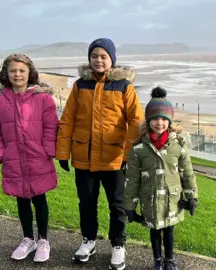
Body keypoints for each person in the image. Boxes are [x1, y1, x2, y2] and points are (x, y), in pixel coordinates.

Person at [56, 38, 144, 270]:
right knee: (86, 203)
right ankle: (89, 240)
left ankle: (118, 245)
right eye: (94, 56)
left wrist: (128, 154)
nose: (98, 60)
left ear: (111, 60)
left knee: (117, 205)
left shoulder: (124, 86)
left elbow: (136, 122)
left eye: (103, 56)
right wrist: (63, 152)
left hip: (114, 158)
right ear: (89, 58)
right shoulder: (80, 85)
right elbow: (67, 120)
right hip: (83, 157)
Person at [0, 54, 58, 263]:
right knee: (21, 198)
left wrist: (47, 150)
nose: (17, 74)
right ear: (6, 74)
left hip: (38, 157)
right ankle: (28, 239)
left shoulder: (43, 99)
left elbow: (51, 127)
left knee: (39, 197)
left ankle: (43, 240)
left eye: (22, 71)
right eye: (13, 71)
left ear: (30, 73)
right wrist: (0, 152)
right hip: (13, 158)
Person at [124, 87, 199, 270]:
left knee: (169, 230)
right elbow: (132, 180)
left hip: (172, 199)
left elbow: (187, 173)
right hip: (150, 200)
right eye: (155, 119)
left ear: (170, 121)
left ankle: (169, 259)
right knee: (155, 230)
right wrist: (130, 207)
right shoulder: (138, 150)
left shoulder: (178, 146)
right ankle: (157, 259)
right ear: (148, 121)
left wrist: (192, 196)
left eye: (164, 119)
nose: (159, 123)